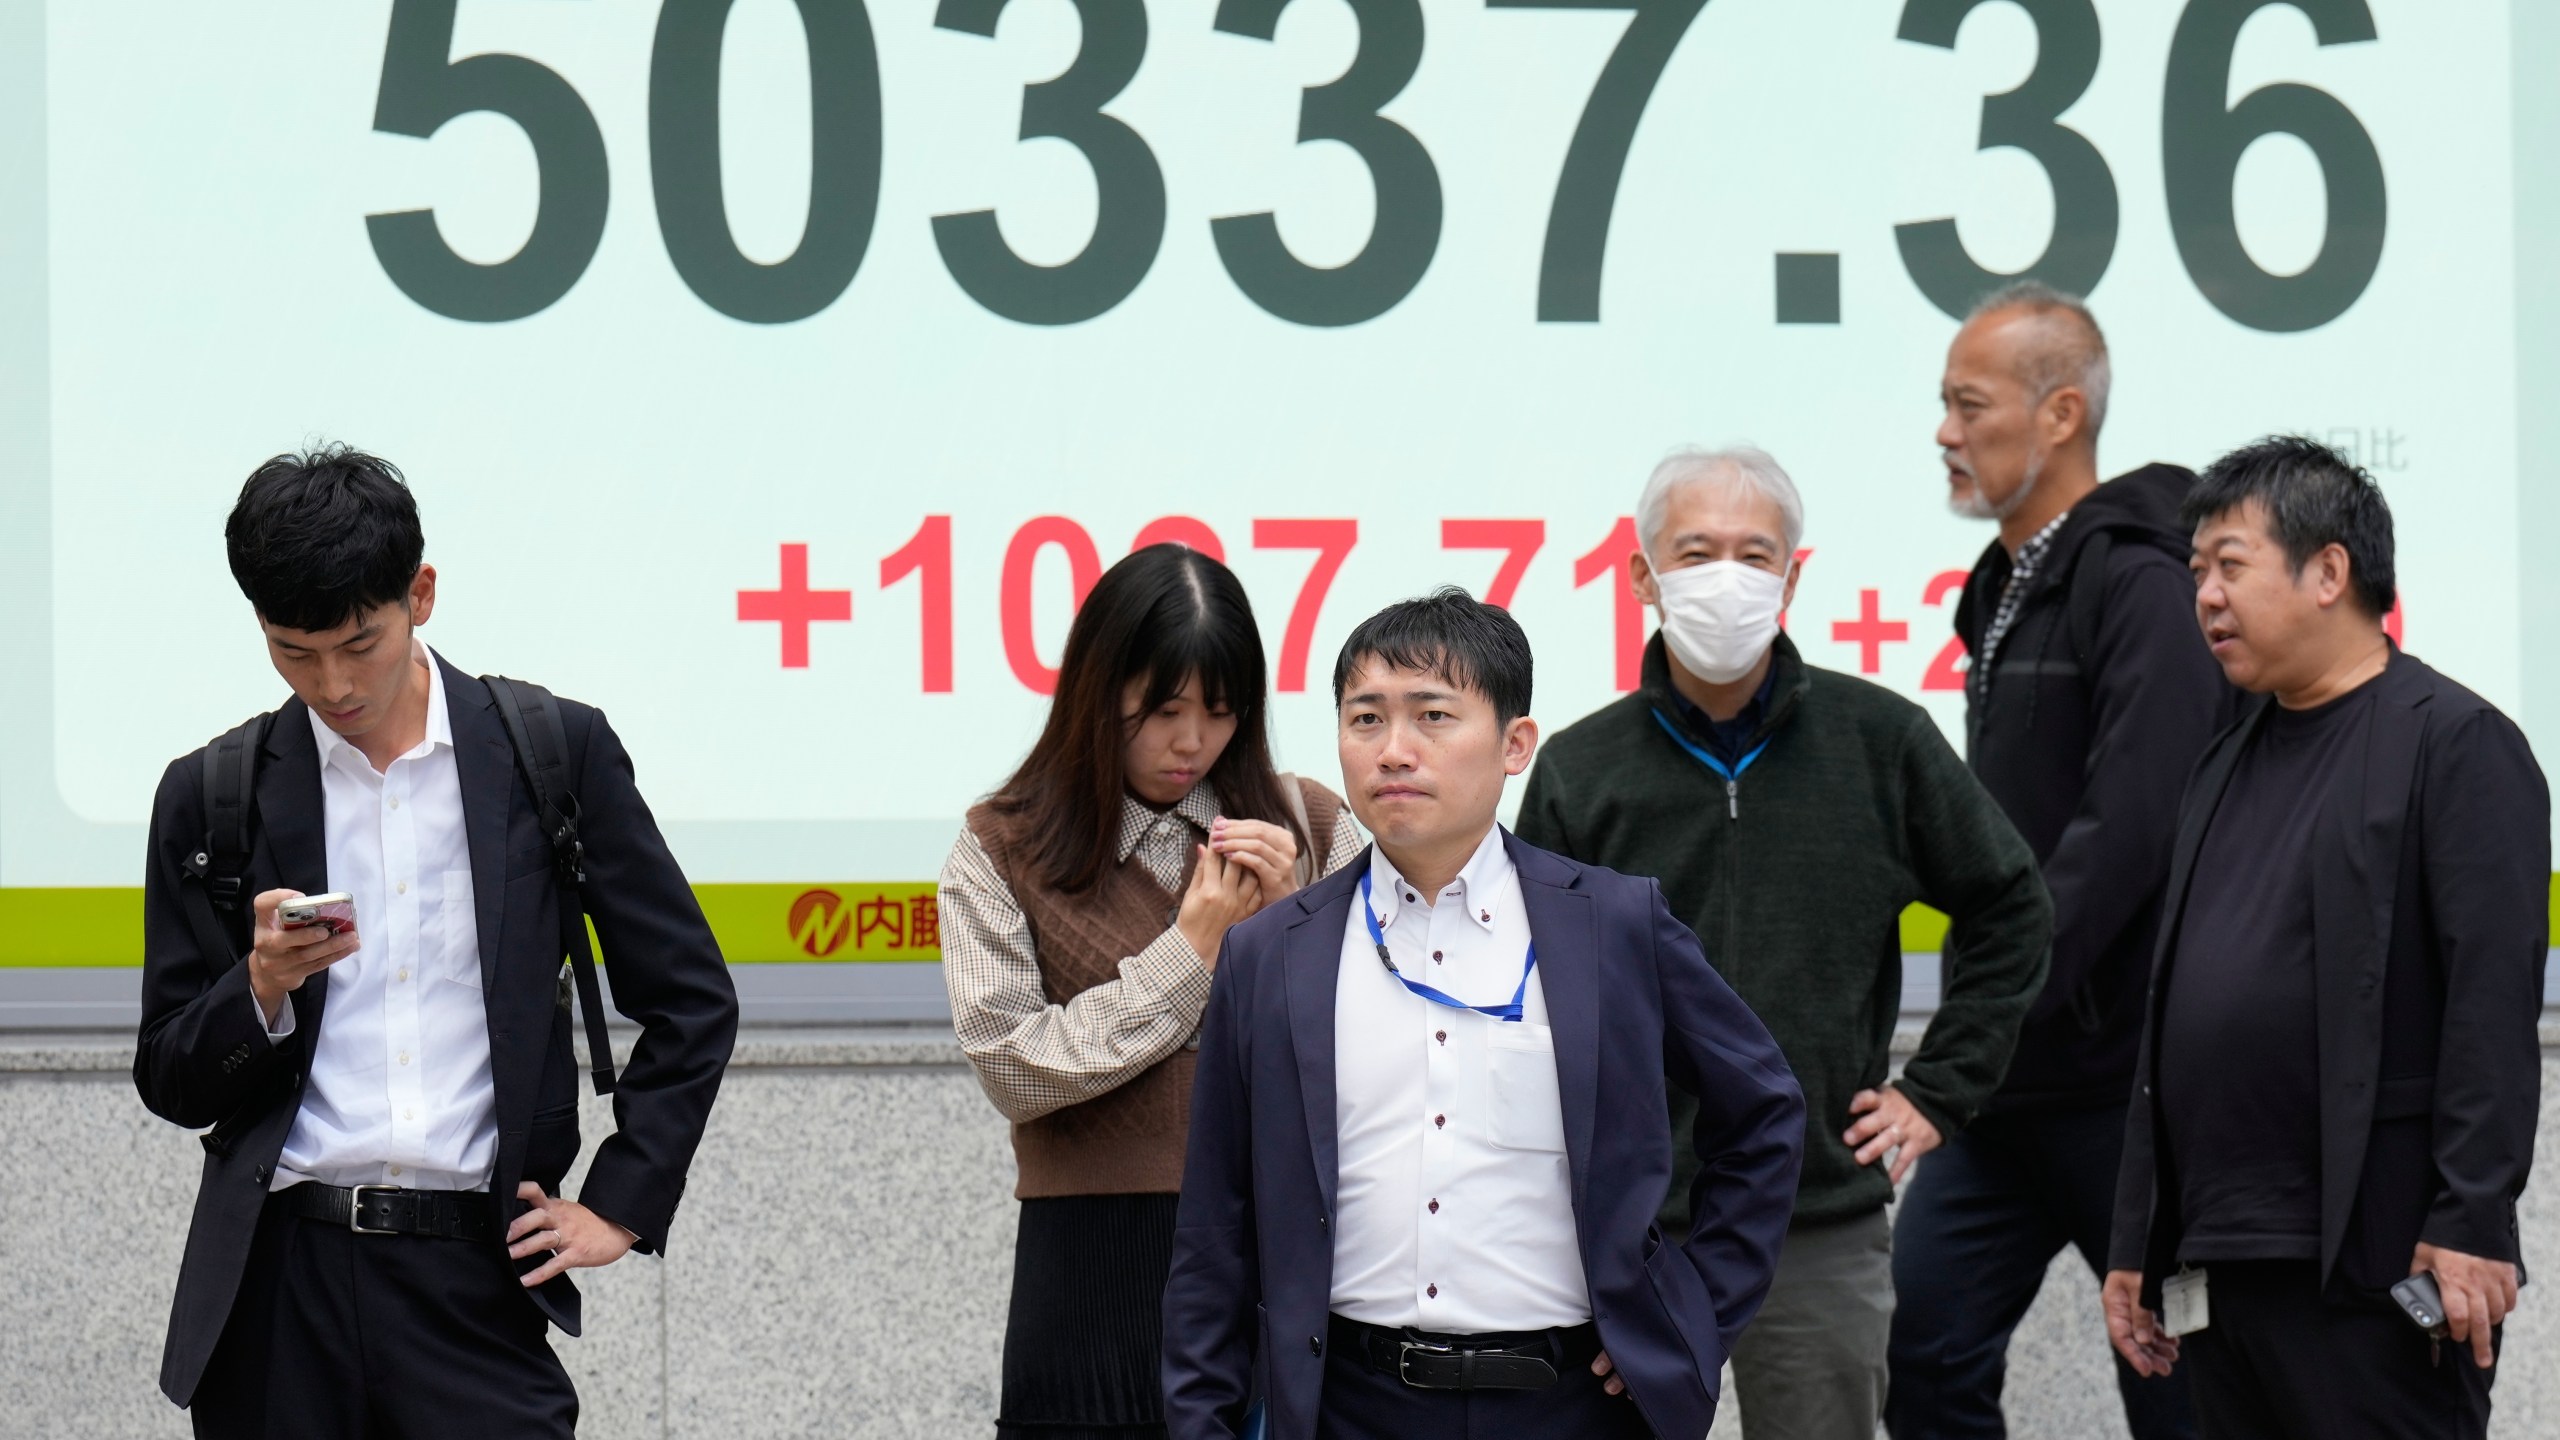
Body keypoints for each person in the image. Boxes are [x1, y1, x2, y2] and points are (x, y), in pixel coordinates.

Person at [134, 446, 739, 1436]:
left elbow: (690, 996)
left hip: (474, 1282)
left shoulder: (551, 751)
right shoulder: (213, 794)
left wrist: (622, 1204)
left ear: (421, 593)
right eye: (293, 650)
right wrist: (259, 988)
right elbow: (169, 1074)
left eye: (358, 643)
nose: (332, 684)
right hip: (279, 1287)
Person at [1164, 589, 1804, 1440]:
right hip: (1349, 1405)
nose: (1395, 751)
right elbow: (1216, 1223)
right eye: (1365, 720)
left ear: (1515, 745)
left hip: (1573, 1405)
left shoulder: (1612, 924)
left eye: (1433, 716)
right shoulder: (1274, 951)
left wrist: (1693, 1314)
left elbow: (1763, 1113)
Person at [1516, 446, 2052, 1440]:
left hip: (1818, 1222)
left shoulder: (1880, 744)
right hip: (1629, 1236)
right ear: (1641, 575)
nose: (1727, 576)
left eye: (1755, 554)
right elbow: (1528, 986)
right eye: (1696, 550)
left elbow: (2011, 904)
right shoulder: (1580, 771)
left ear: (1793, 577)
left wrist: (1937, 1089)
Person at [2103, 438, 2547, 1440]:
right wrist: (2138, 1235)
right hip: (2219, 1265)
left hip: (2375, 1265)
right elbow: (2168, 1014)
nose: (2205, 597)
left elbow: (2489, 1005)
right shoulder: (2220, 763)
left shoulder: (2452, 744)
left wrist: (2469, 1219)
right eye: (2195, 574)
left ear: (2328, 572)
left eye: (2229, 565)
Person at [1888, 283, 2215, 1439]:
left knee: (2176, 1385)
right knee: (1917, 1351)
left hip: (2127, 1087)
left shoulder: (2139, 580)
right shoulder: (2001, 587)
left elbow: (2132, 825)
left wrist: (2002, 992)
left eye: (1967, 405)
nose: (1943, 431)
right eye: (1942, 403)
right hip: (2008, 1081)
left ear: (2061, 413)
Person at [942, 543, 1363, 1440]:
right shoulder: (1002, 844)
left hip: (1287, 1244)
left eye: (1219, 711)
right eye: (1164, 709)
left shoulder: (1312, 826)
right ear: (1100, 692)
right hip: (1092, 1262)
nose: (1192, 742)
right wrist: (1194, 948)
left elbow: (1396, 1036)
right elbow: (1014, 1066)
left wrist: (1293, 930)